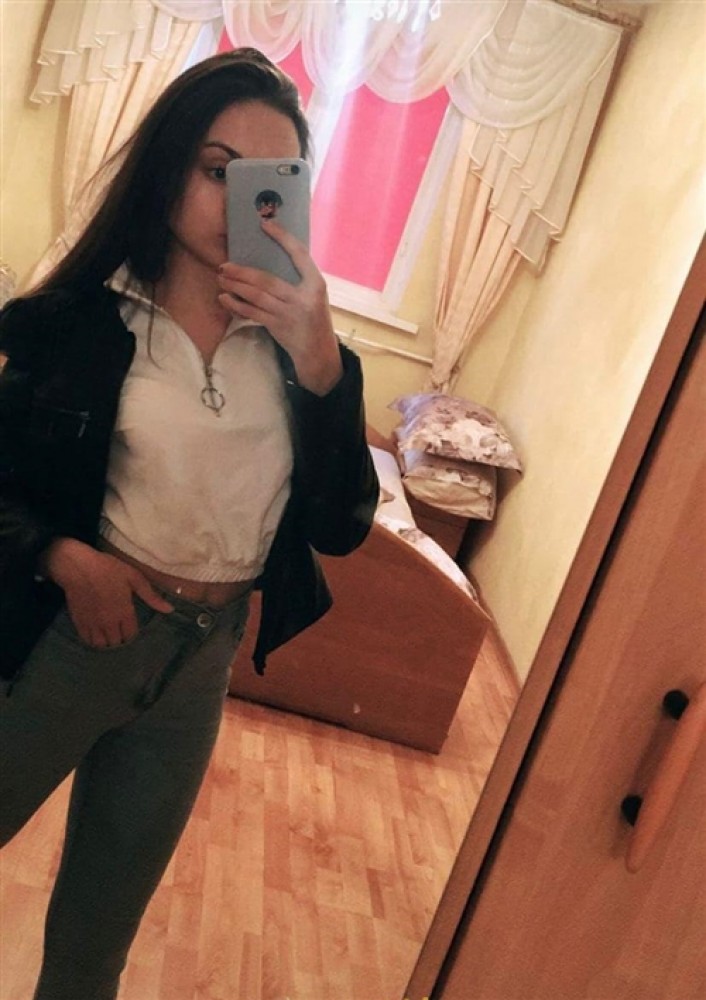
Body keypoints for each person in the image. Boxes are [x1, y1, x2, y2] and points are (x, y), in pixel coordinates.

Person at [0, 47, 378, 1000]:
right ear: (167, 168)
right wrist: (60, 555)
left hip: (200, 663)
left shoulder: (298, 351)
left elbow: (340, 527)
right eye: (218, 170)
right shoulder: (74, 321)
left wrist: (325, 365)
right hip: (70, 641)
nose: (242, 204)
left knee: (95, 947)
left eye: (270, 184)